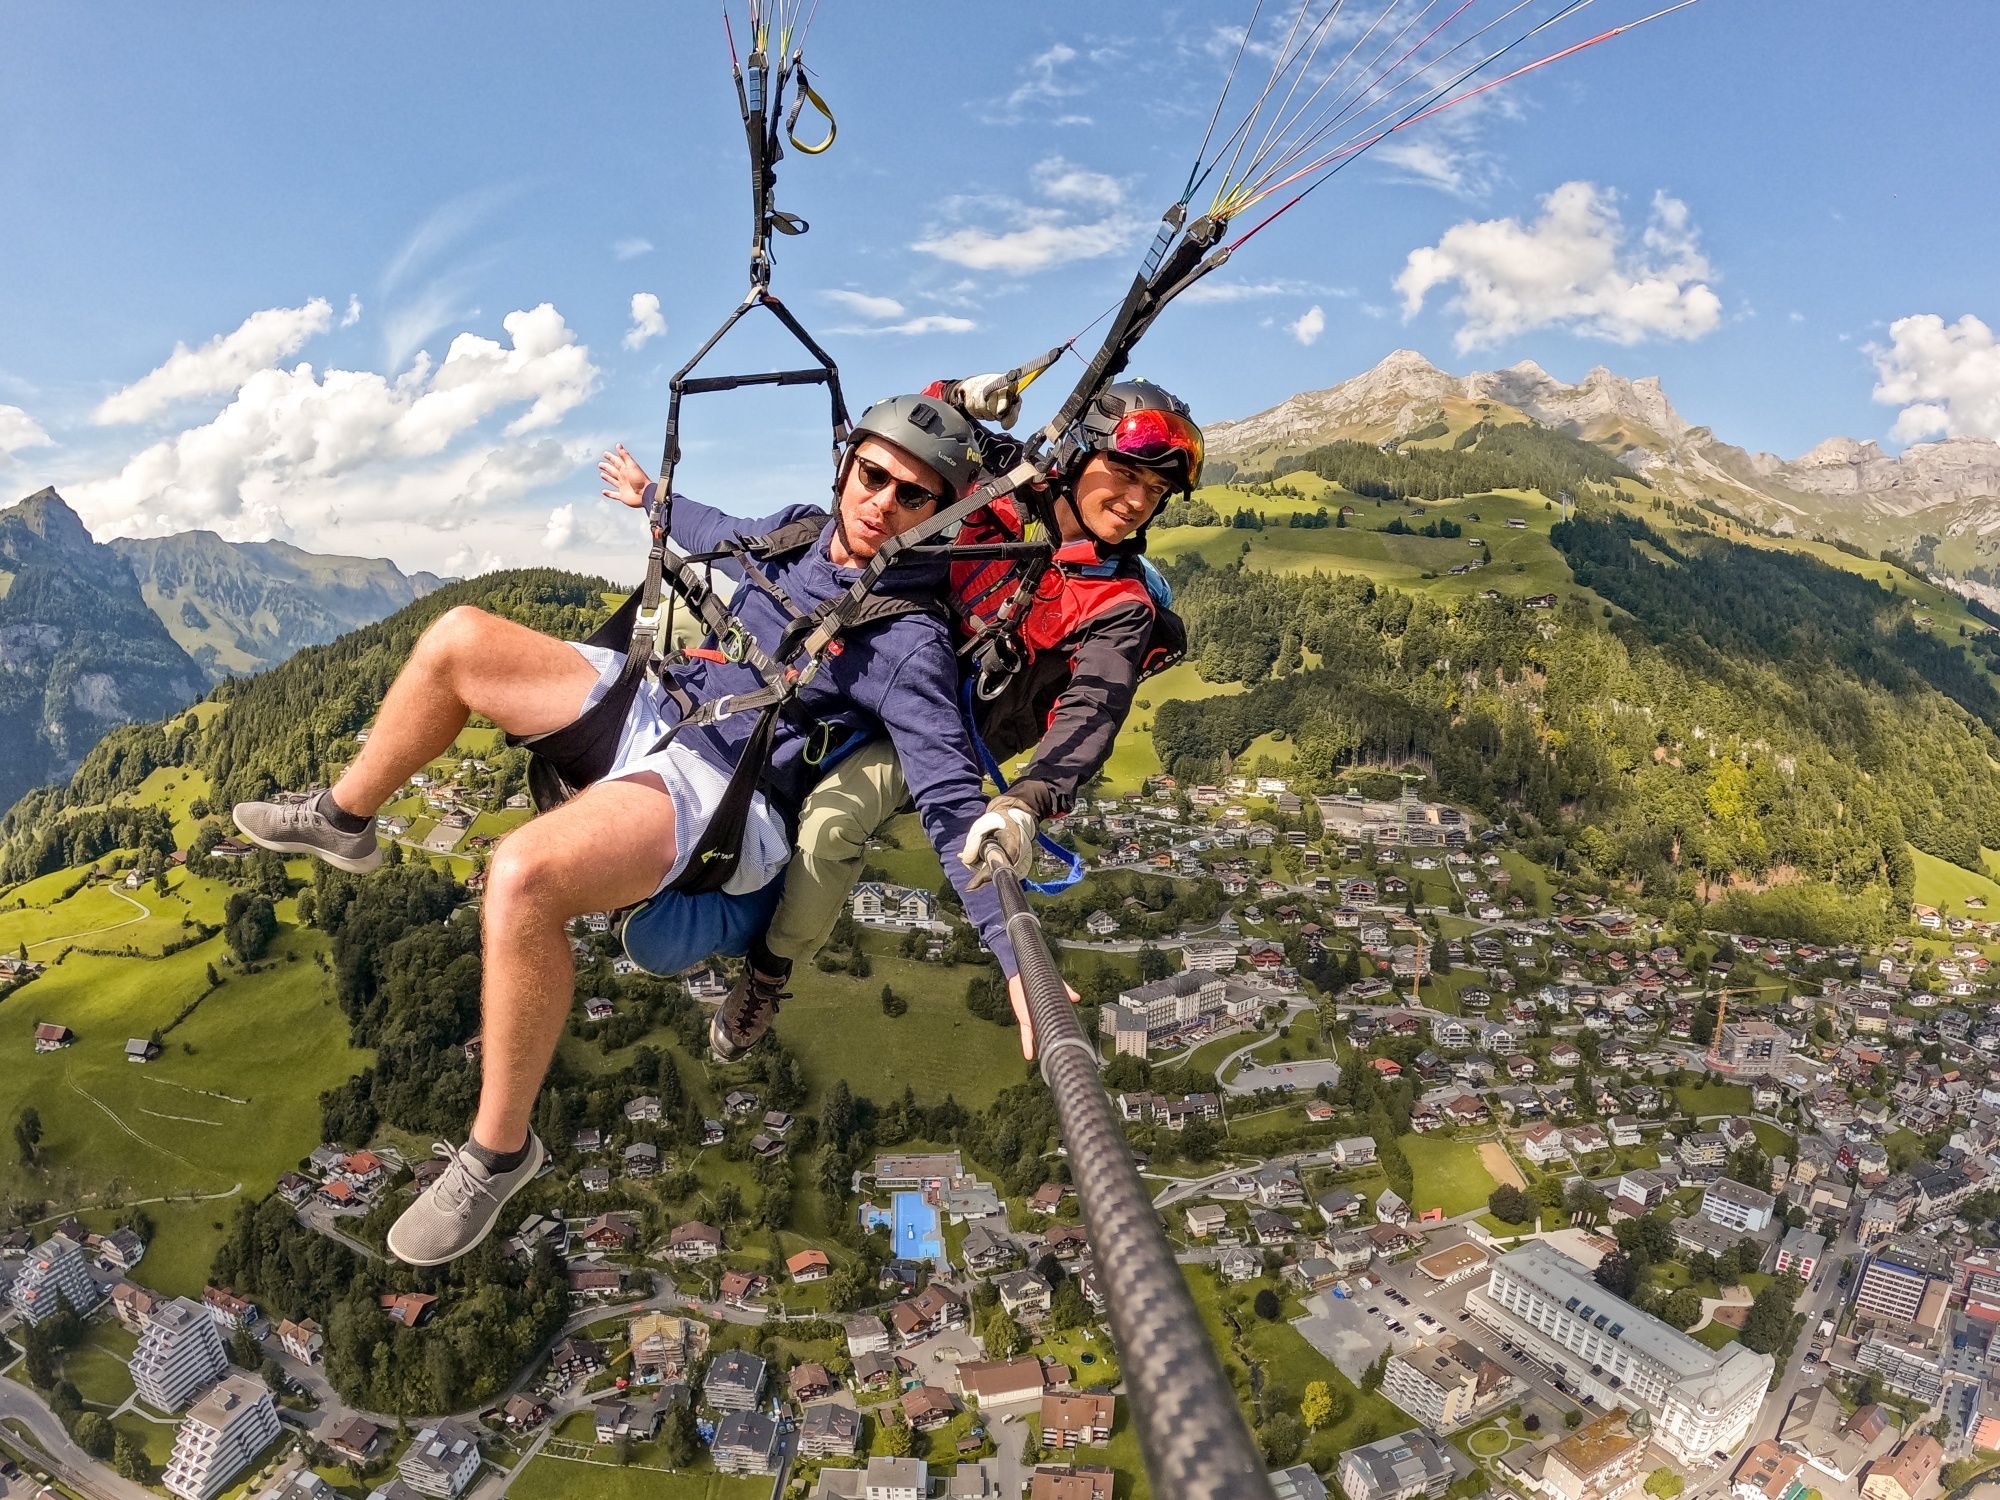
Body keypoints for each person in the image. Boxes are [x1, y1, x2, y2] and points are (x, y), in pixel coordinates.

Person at [232, 394, 1034, 1267]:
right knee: (459, 638)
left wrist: (1015, 955)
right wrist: (654, 498)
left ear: (940, 515)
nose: (879, 501)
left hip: (726, 782)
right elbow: (718, 527)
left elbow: (957, 806)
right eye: (871, 474)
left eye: (912, 495)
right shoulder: (804, 530)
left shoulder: (908, 642)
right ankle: (343, 817)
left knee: (521, 877)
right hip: (665, 700)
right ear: (847, 466)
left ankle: (499, 1150)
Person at [697, 379, 1203, 1065]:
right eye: (1126, 473)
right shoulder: (1003, 485)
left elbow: (1094, 708)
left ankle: (766, 975)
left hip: (949, 728)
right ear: (1079, 454)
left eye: (1156, 490)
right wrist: (969, 393)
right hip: (882, 651)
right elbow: (920, 422)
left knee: (835, 822)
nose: (1139, 500)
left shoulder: (1119, 604)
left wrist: (1028, 800)